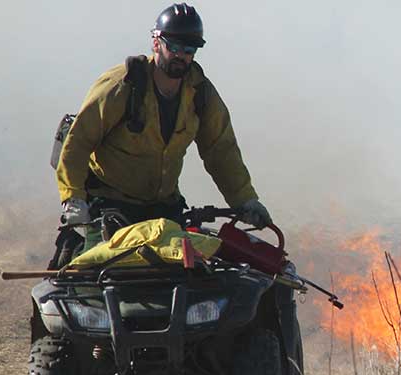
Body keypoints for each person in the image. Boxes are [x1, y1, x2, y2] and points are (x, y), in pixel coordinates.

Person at [55, 3, 270, 250]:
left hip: (163, 209)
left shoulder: (200, 93)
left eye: (189, 49)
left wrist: (246, 200)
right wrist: (73, 199)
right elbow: (79, 141)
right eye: (174, 47)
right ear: (156, 43)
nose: (181, 55)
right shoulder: (122, 86)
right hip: (110, 207)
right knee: (100, 277)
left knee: (193, 275)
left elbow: (221, 151)